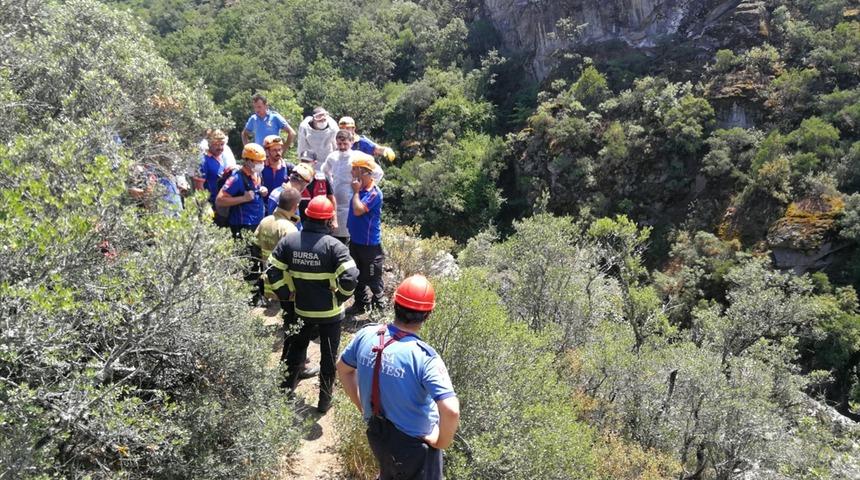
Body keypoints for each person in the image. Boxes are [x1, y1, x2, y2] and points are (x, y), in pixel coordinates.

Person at [337, 275, 460, 480]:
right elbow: (451, 410)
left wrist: (363, 408)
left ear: (395, 303)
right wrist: (440, 442)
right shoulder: (424, 357)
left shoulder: (367, 335)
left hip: (378, 433)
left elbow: (343, 369)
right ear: (428, 314)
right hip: (416, 447)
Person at [266, 196, 359, 413]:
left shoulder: (290, 241)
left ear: (307, 216)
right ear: (328, 221)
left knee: (296, 352)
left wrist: (285, 293)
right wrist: (340, 297)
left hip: (301, 309)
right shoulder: (334, 246)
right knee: (328, 359)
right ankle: (324, 403)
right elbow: (351, 277)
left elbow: (272, 269)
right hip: (330, 315)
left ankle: (284, 394)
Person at [216, 143, 268, 304]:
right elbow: (220, 200)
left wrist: (262, 191)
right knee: (249, 262)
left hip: (256, 224)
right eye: (258, 161)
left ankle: (260, 293)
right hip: (242, 225)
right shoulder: (237, 178)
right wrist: (243, 198)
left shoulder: (256, 175)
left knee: (258, 259)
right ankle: (252, 297)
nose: (261, 164)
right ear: (248, 160)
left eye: (262, 161)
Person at [345, 155, 385, 315]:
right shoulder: (360, 189)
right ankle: (360, 304)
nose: (352, 173)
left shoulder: (374, 193)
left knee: (373, 278)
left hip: (369, 245)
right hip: (355, 241)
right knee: (356, 275)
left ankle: (379, 309)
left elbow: (358, 210)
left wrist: (355, 192)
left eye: (354, 170)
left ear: (363, 172)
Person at [321, 130, 359, 245]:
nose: (342, 147)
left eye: (345, 144)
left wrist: (362, 187)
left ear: (351, 142)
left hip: (350, 199)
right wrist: (330, 184)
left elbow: (377, 172)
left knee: (349, 233)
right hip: (335, 198)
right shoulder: (332, 156)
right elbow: (324, 170)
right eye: (339, 144)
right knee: (334, 233)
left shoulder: (357, 157)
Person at [195, 129, 234, 207]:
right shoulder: (203, 160)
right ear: (209, 144)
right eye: (216, 144)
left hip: (223, 203)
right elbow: (199, 187)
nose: (220, 148)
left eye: (222, 144)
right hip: (210, 204)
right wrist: (205, 207)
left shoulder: (222, 158)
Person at [296, 150, 336, 221]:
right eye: (302, 161)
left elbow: (331, 198)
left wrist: (334, 219)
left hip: (320, 220)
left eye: (308, 162)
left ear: (314, 163)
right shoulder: (294, 178)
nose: (304, 164)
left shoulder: (322, 178)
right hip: (300, 220)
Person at [262, 134, 294, 213]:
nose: (278, 152)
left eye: (280, 149)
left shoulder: (289, 168)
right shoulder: (260, 167)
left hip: (282, 210)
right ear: (267, 151)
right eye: (274, 150)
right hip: (263, 209)